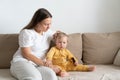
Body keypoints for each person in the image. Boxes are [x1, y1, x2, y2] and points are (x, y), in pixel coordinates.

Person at [10, 8, 58, 80]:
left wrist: (59, 35)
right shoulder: (27, 33)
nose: (49, 27)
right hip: (22, 62)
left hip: (38, 65)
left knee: (51, 76)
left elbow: (59, 35)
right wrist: (46, 65)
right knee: (35, 77)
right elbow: (26, 54)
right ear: (37, 23)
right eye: (46, 24)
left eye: (50, 23)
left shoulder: (48, 32)